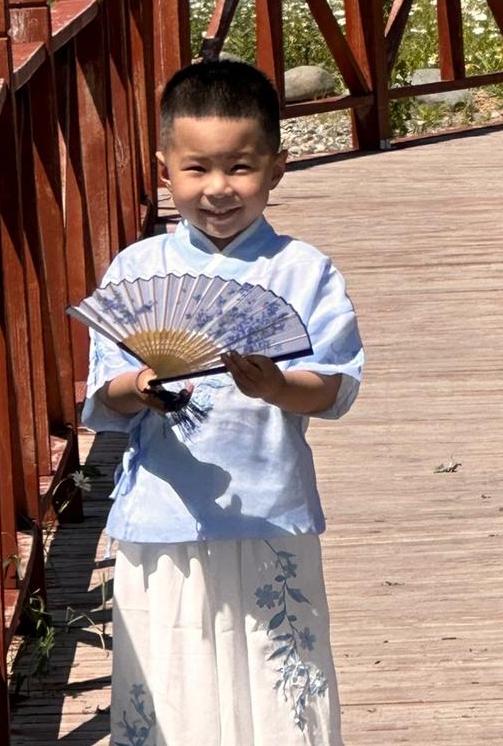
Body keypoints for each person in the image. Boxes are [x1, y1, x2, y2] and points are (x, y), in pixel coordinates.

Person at [83, 58, 363, 745]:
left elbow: (331, 385)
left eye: (239, 168)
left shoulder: (303, 270)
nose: (217, 190)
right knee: (174, 679)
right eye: (196, 169)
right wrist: (141, 388)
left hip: (270, 507)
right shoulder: (138, 269)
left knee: (282, 681)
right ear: (163, 168)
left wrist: (275, 386)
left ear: (278, 167)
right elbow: (105, 392)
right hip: (162, 515)